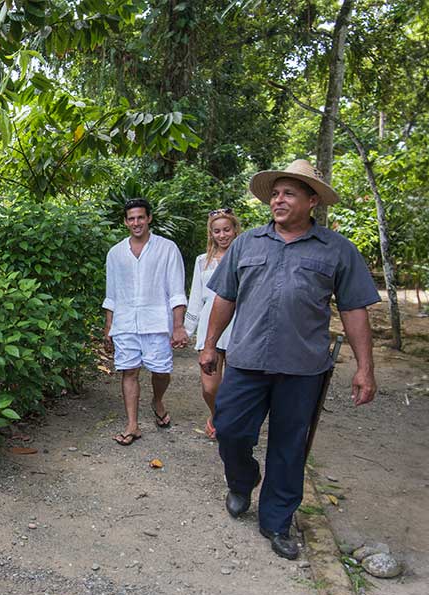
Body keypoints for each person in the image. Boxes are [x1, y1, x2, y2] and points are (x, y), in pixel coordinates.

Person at [199, 159, 379, 560]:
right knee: (229, 429)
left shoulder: (337, 250)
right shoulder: (247, 243)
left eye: (289, 193)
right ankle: (242, 480)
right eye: (275, 193)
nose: (278, 200)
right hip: (246, 360)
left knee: (289, 445)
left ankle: (276, 521)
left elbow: (353, 310)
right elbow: (225, 296)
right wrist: (210, 344)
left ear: (312, 201)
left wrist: (365, 368)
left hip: (302, 367)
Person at [102, 198, 189, 445]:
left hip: (157, 322)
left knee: (161, 371)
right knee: (129, 371)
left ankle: (157, 400)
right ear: (125, 221)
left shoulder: (167, 248)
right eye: (131, 218)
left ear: (149, 218)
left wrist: (178, 325)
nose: (136, 222)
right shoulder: (115, 253)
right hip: (126, 322)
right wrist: (108, 327)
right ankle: (132, 425)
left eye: (141, 217)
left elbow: (176, 290)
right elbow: (112, 294)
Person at [184, 208, 242, 440]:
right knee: (210, 386)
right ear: (211, 234)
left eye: (226, 230)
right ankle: (217, 415)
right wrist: (186, 330)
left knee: (236, 383)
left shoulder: (244, 257)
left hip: (239, 323)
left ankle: (228, 424)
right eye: (217, 231)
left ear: (235, 230)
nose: (222, 235)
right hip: (210, 324)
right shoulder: (202, 261)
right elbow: (196, 297)